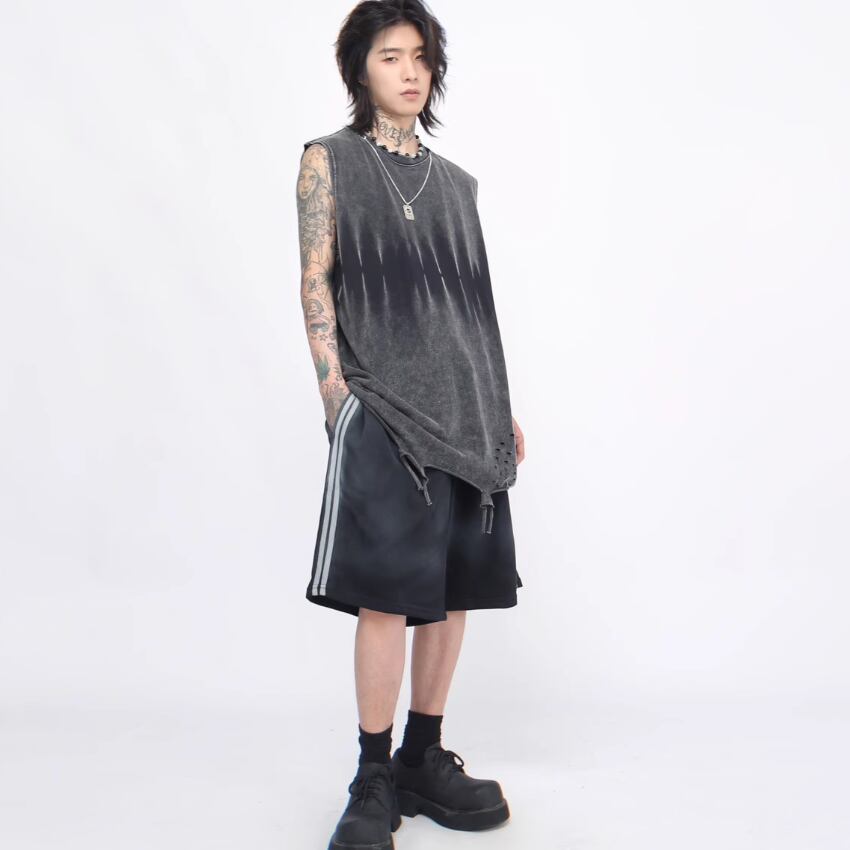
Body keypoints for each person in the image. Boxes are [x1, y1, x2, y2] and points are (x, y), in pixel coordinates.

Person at [295, 2, 526, 847]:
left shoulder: (458, 184)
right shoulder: (330, 161)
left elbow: (472, 312)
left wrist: (499, 408)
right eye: (391, 55)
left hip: (467, 415)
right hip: (383, 412)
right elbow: (315, 281)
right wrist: (339, 403)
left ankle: (423, 756)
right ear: (360, 67)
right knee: (386, 599)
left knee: (453, 591)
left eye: (421, 56)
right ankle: (372, 775)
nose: (409, 71)